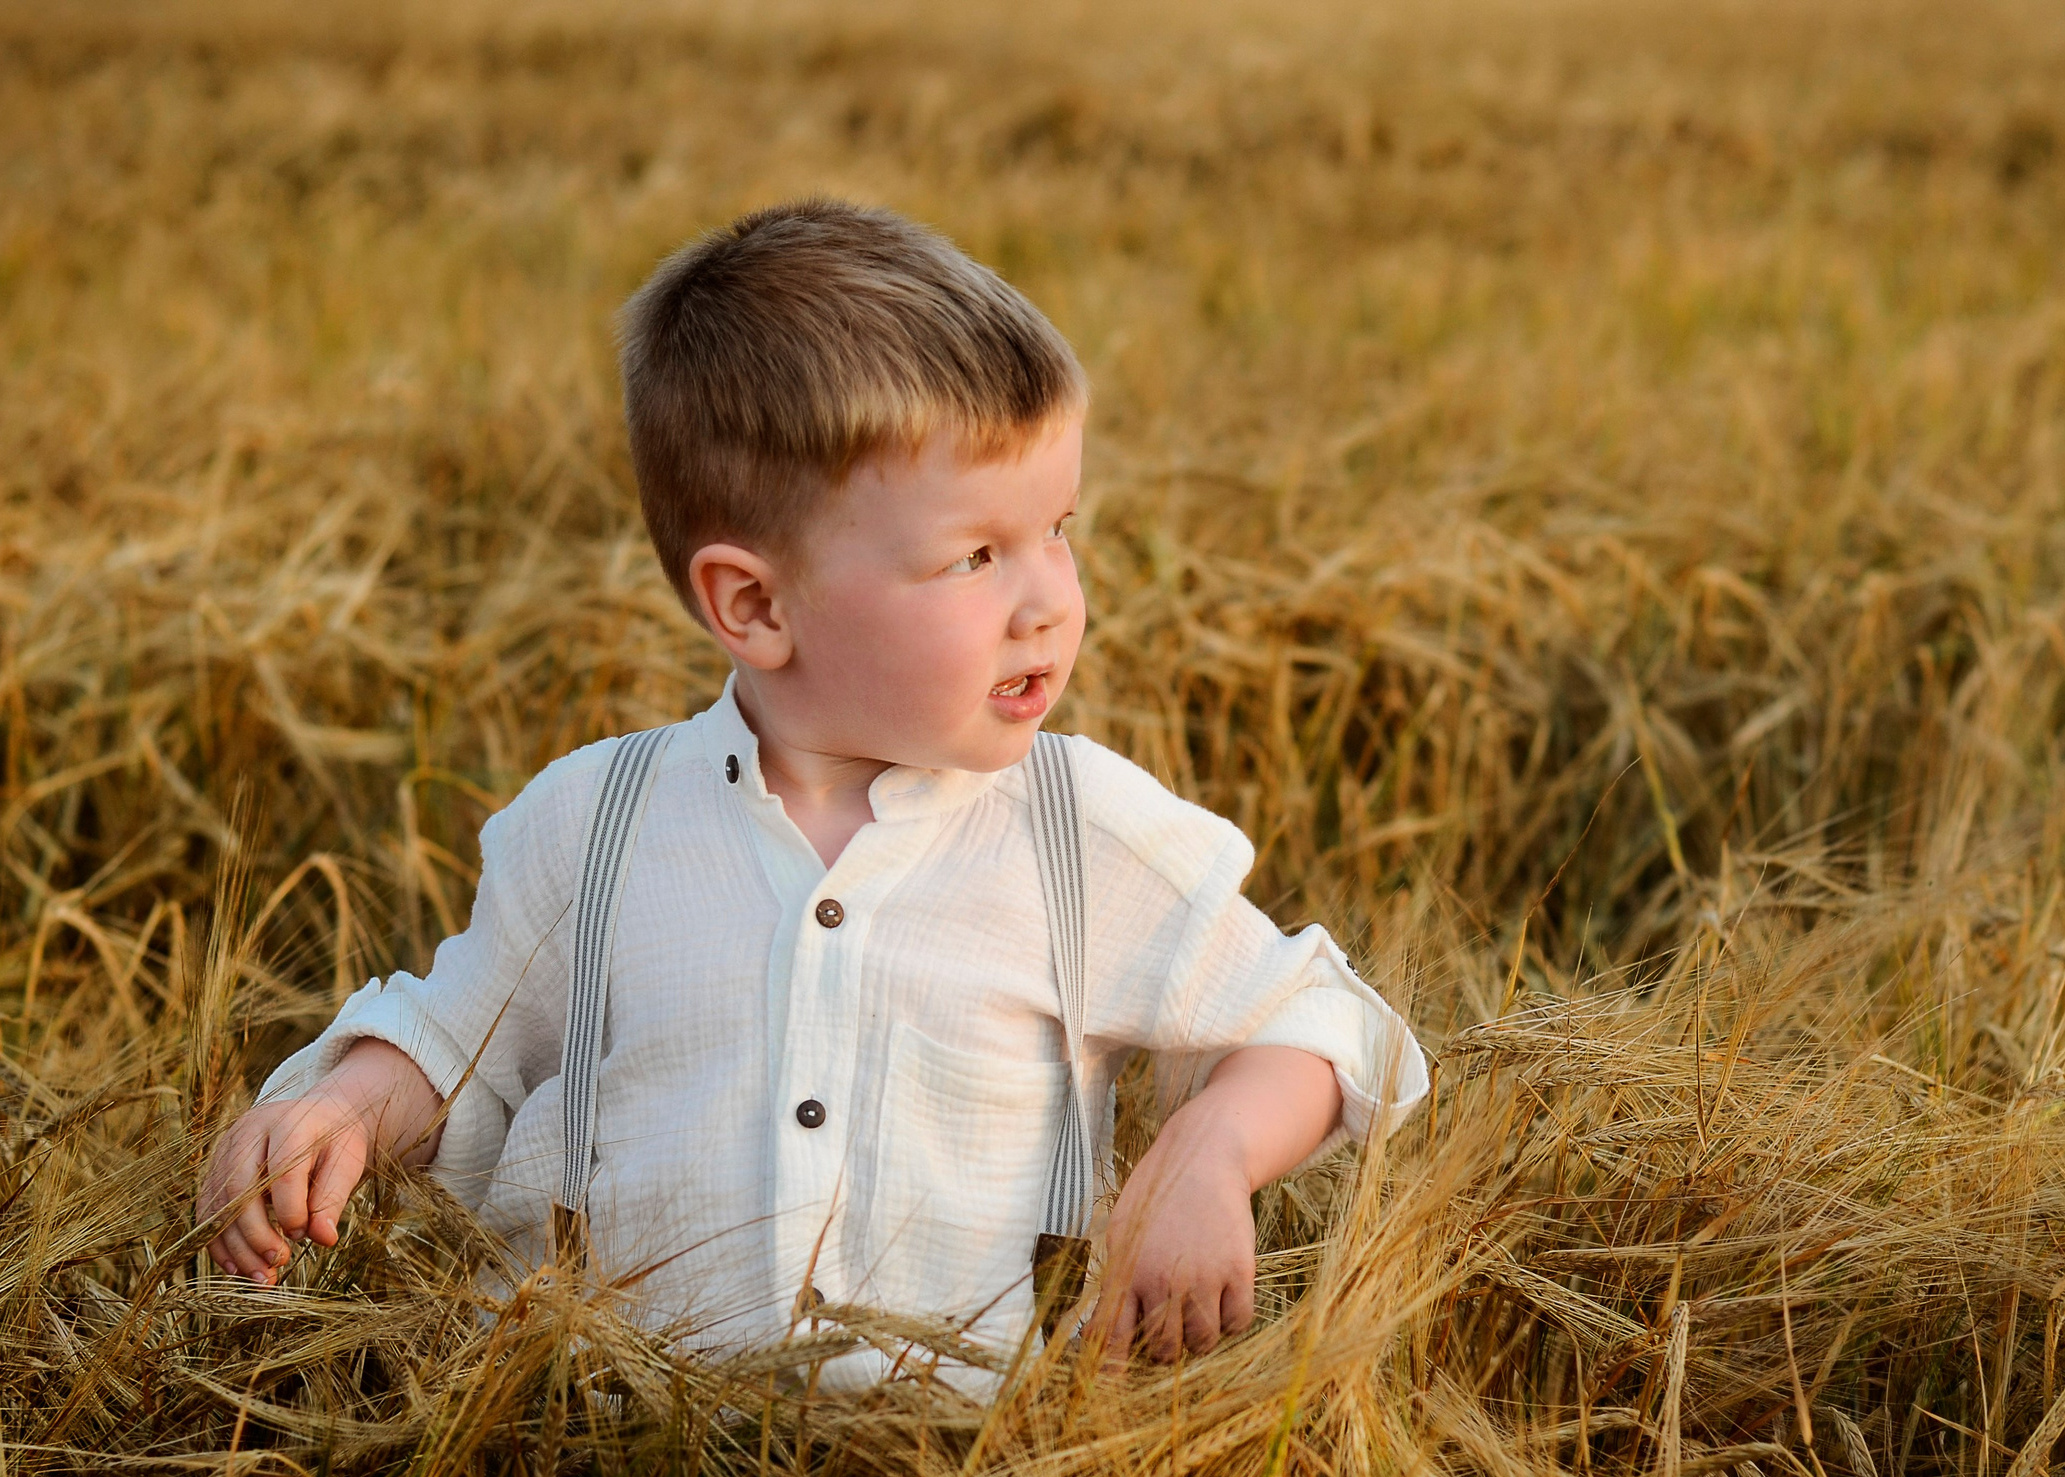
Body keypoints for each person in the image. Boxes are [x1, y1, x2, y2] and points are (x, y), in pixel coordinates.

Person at [194, 201, 1428, 1386]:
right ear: (756, 605)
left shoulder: (1078, 834)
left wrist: (1208, 1150)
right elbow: (461, 1045)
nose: (1049, 596)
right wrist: (345, 1110)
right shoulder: (600, 827)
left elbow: (1324, 1022)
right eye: (975, 555)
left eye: (1059, 526)